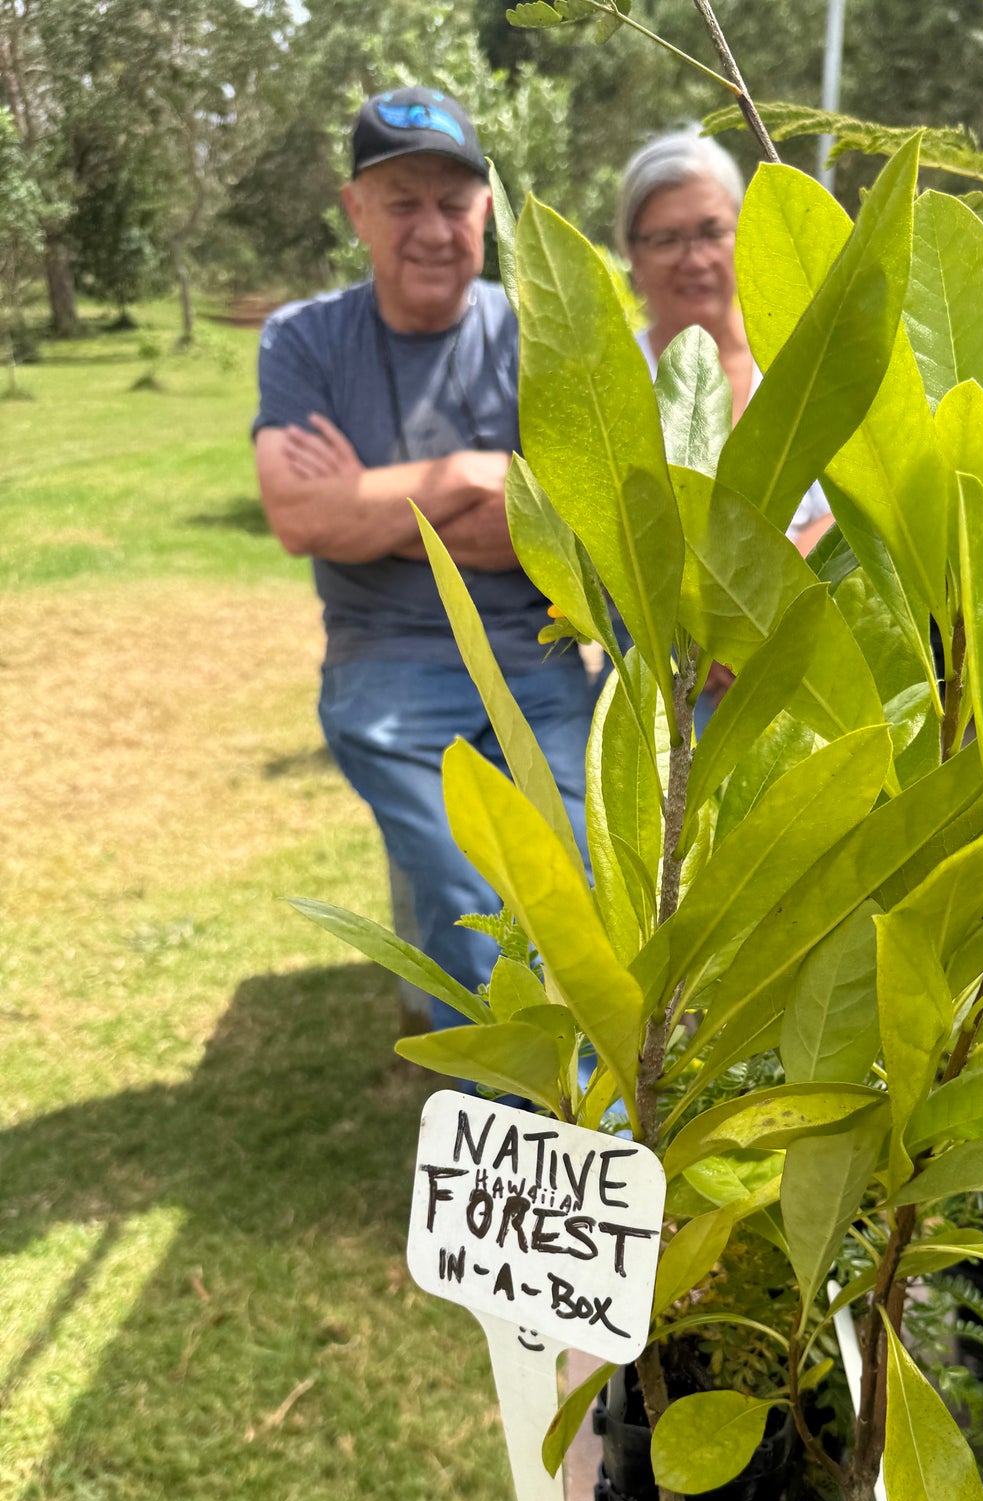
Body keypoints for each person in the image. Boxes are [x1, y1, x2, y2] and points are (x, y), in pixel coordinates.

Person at [253, 87, 598, 1029]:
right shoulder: (304, 340)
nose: (433, 229)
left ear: (486, 210)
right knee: (460, 884)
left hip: (535, 657)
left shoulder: (535, 332)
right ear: (354, 210)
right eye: (402, 202)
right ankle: (511, 1122)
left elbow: (553, 528)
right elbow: (295, 515)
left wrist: (370, 497)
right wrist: (470, 470)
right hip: (386, 668)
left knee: (579, 872)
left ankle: (592, 1119)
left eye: (454, 202)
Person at [619, 131, 833, 726]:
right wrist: (704, 625)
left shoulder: (795, 366)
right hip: (665, 674)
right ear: (633, 255)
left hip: (806, 643)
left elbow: (851, 507)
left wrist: (768, 596)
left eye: (713, 231)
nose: (694, 258)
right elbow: (602, 524)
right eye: (666, 239)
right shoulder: (614, 379)